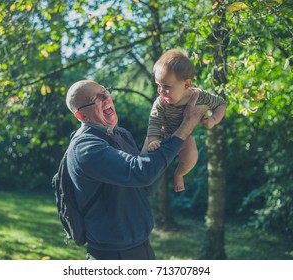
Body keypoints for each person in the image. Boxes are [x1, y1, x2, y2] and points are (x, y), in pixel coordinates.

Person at [65, 79, 207, 260]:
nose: (106, 98)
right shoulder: (86, 148)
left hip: (143, 248)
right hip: (112, 257)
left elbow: (145, 187)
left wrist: (167, 134)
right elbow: (140, 173)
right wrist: (186, 126)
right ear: (81, 116)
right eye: (97, 98)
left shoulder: (121, 134)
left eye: (105, 92)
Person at [143, 49, 227, 192]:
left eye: (167, 87)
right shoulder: (160, 102)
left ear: (186, 85)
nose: (161, 91)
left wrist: (213, 119)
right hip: (161, 136)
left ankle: (179, 174)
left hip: (184, 138)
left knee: (191, 158)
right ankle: (144, 187)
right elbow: (154, 121)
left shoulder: (200, 96)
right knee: (144, 162)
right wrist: (153, 140)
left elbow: (221, 103)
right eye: (159, 85)